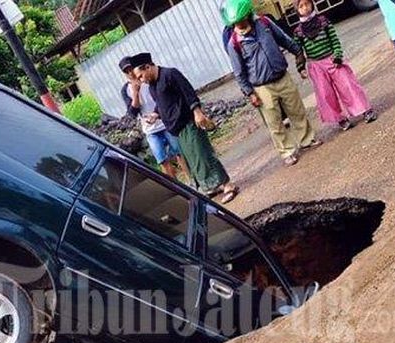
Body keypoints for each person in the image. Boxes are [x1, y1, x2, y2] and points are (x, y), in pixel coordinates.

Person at [130, 52, 240, 204]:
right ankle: (212, 186)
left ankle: (228, 185)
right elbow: (162, 103)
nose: (141, 80)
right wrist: (155, 114)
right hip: (176, 129)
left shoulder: (170, 74)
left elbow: (188, 92)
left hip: (189, 122)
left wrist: (197, 112)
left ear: (147, 67)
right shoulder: (152, 87)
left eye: (141, 75)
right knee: (193, 160)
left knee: (203, 154)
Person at [221, 0, 320, 166]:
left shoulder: (264, 23)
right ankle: (287, 151)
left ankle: (307, 140)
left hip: (282, 76)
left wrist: (298, 52)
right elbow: (239, 73)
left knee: (297, 111)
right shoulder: (234, 43)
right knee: (274, 123)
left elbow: (283, 38)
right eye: (237, 23)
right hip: (262, 87)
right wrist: (250, 93)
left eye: (242, 20)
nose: (240, 25)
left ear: (248, 15)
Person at [293, 0, 377, 131]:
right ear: (297, 10)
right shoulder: (298, 32)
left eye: (307, 4)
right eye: (301, 6)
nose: (305, 8)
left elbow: (334, 40)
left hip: (332, 60)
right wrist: (301, 67)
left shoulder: (323, 21)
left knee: (348, 85)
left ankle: (365, 110)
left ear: (312, 4)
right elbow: (298, 51)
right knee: (326, 94)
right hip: (316, 66)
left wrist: (337, 55)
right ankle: (341, 119)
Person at [118, 56, 191, 181]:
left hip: (165, 122)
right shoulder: (126, 90)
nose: (130, 73)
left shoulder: (148, 79)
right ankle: (177, 187)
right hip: (150, 129)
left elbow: (161, 97)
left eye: (131, 69)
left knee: (180, 152)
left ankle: (191, 181)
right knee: (162, 160)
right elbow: (132, 112)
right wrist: (135, 92)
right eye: (127, 71)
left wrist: (158, 113)